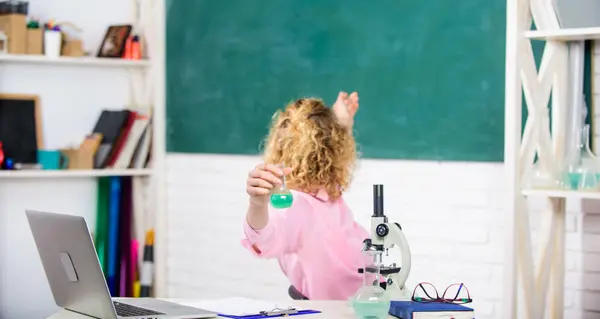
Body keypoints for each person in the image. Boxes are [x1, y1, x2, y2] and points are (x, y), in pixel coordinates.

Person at [241, 92, 372, 300]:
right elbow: (264, 240)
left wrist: (343, 123)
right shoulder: (295, 205)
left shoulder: (328, 193)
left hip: (362, 303)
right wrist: (257, 203)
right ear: (328, 153)